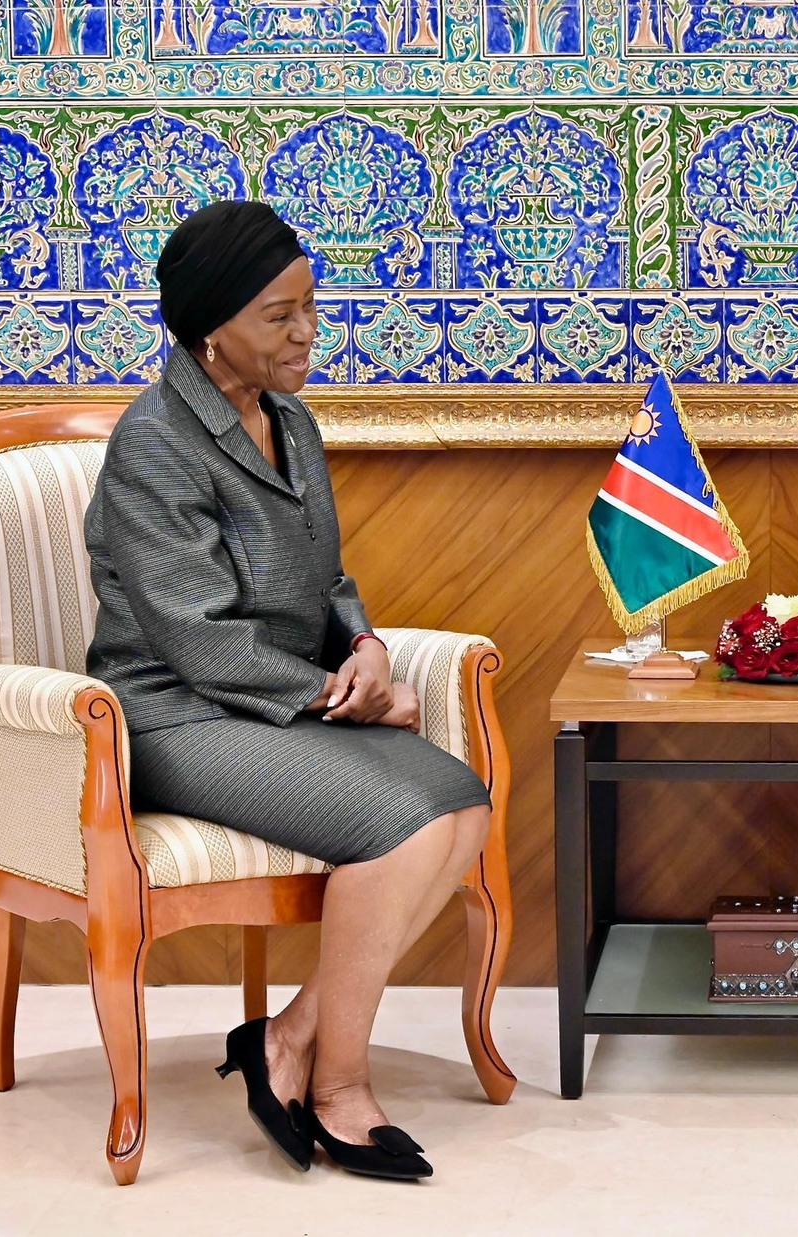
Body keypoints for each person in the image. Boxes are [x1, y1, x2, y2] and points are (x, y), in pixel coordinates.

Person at [84, 200, 492, 1181]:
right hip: (175, 714)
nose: (309, 331)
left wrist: (367, 648)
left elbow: (325, 580)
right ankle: (339, 1086)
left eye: (311, 306)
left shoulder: (290, 420)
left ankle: (291, 1035)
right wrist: (337, 696)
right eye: (280, 315)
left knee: (463, 807)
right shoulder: (153, 443)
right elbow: (196, 640)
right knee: (404, 825)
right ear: (210, 327)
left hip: (275, 706)